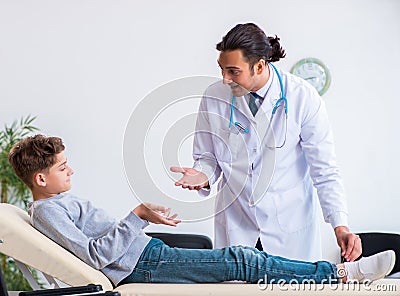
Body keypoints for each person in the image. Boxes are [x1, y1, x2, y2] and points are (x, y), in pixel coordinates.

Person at [8, 134, 395, 287]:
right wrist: (138, 215)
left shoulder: (57, 203)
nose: (71, 169)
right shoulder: (46, 213)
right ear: (40, 179)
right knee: (243, 261)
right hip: (142, 265)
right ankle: (342, 274)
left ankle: (339, 274)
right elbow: (93, 256)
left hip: (148, 254)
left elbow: (103, 244)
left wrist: (144, 221)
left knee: (241, 261)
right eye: (61, 167)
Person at [171, 23, 361, 262]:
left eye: (233, 71)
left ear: (259, 65)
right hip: (237, 226)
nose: (225, 79)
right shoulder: (213, 97)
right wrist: (202, 176)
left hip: (289, 230)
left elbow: (324, 170)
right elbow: (207, 157)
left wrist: (340, 224)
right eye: (221, 69)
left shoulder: (302, 97)